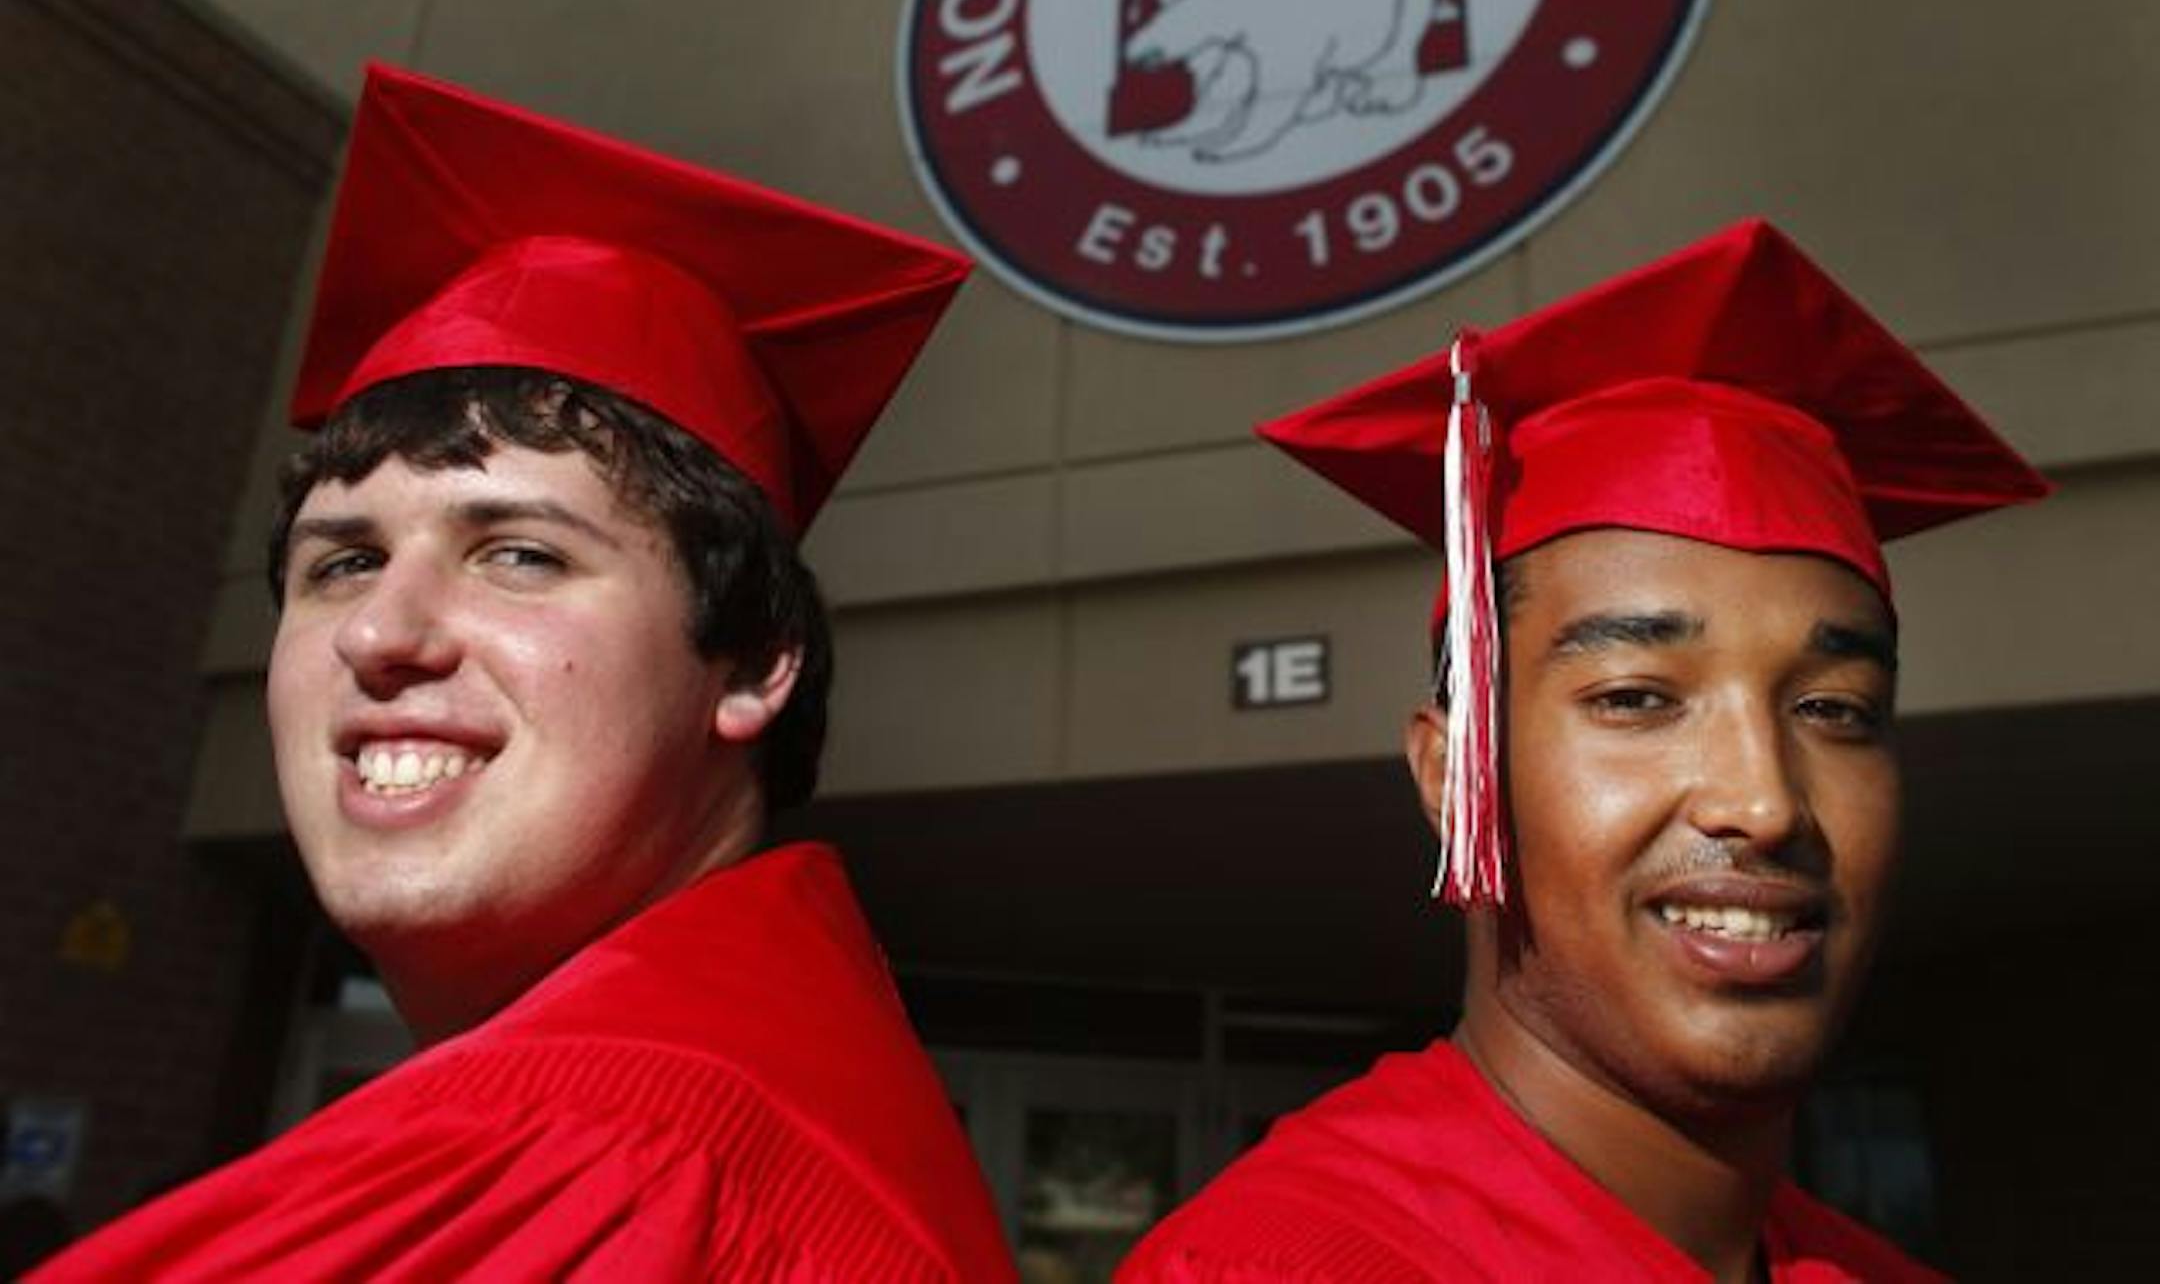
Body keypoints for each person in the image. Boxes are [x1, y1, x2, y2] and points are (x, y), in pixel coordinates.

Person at [35, 66, 1016, 1282]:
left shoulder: (614, 1176)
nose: (379, 633)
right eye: (339, 564)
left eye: (518, 554)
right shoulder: (754, 1096)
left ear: (756, 662)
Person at [1118, 220, 2048, 1284]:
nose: (1766, 800)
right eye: (1637, 697)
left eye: (1835, 710)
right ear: (1452, 777)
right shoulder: (1286, 1269)